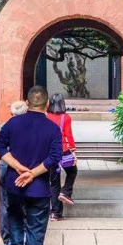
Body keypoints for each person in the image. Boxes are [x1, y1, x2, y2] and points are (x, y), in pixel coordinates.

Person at [0, 85, 62, 245]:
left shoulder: (13, 123)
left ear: (27, 102)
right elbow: (54, 157)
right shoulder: (52, 128)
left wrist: (17, 167)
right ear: (47, 104)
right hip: (39, 188)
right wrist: (32, 173)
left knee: (14, 214)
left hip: (14, 184)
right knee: (35, 233)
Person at [0, 100, 28, 245]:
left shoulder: (3, 126)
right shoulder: (29, 128)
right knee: (24, 201)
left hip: (4, 167)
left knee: (4, 202)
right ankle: (22, 236)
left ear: (11, 113)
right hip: (24, 168)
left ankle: (8, 239)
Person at [46, 93, 78, 221]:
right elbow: (68, 136)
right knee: (72, 172)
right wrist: (74, 153)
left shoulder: (46, 117)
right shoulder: (66, 117)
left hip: (50, 152)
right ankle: (65, 192)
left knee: (54, 183)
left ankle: (55, 213)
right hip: (64, 150)